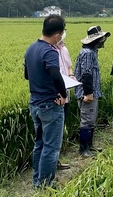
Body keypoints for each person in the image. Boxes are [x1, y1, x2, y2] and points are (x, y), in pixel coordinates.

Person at [24, 14, 67, 188]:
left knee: (40, 144)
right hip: (50, 104)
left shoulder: (31, 48)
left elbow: (27, 75)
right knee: (51, 147)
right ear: (57, 36)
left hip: (35, 103)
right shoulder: (49, 51)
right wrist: (63, 95)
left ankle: (37, 181)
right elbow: (56, 75)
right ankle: (45, 186)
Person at [74, 25, 110, 157]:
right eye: (101, 39)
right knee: (87, 120)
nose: (102, 41)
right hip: (87, 93)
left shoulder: (91, 52)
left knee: (91, 119)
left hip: (92, 92)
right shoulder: (88, 53)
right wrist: (88, 93)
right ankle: (84, 149)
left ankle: (90, 146)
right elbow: (86, 74)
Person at [54, 30, 74, 170]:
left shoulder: (64, 49)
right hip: (56, 97)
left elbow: (68, 66)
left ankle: (56, 160)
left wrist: (71, 75)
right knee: (53, 132)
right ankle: (52, 163)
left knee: (60, 129)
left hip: (65, 94)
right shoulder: (49, 51)